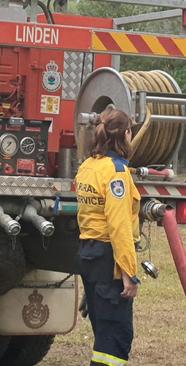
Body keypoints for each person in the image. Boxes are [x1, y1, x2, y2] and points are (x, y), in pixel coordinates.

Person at [75, 107, 141, 366]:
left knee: (103, 334)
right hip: (109, 260)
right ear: (125, 134)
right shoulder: (116, 173)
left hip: (89, 254)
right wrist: (128, 272)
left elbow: (84, 215)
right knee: (115, 338)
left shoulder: (87, 166)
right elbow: (119, 226)